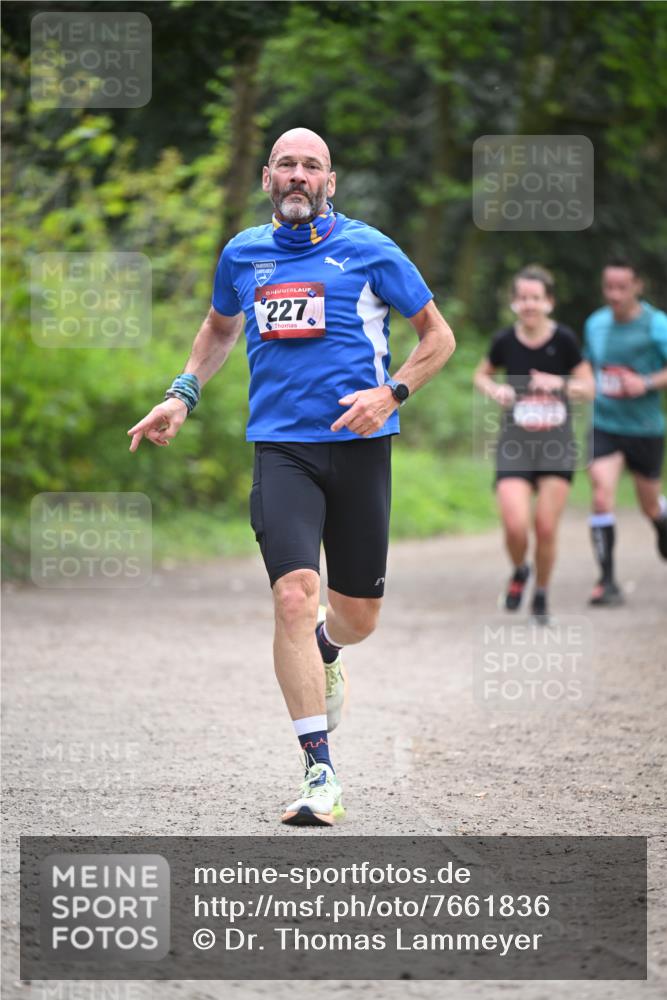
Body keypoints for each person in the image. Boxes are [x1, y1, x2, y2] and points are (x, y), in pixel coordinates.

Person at [127, 128, 455, 826]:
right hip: (281, 449)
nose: (298, 176)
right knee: (292, 596)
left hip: (360, 445)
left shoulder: (370, 249)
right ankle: (319, 773)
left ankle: (330, 649)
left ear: (329, 182)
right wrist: (180, 394)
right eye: (286, 165)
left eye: (312, 166)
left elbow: (438, 337)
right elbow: (218, 330)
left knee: (357, 617)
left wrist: (390, 394)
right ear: (268, 178)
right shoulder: (243, 254)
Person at [473, 265, 594, 623]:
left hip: (556, 446)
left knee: (544, 527)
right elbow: (481, 374)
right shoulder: (504, 341)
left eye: (536, 298)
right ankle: (520, 570)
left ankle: (540, 595)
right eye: (523, 298)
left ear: (549, 303)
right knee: (514, 525)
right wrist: (495, 389)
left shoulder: (565, 341)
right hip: (515, 445)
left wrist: (559, 385)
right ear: (514, 303)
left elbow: (589, 389)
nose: (529, 304)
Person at [584, 259, 667, 605]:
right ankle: (607, 581)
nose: (614, 295)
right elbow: (587, 368)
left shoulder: (657, 325)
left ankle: (662, 524)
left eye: (622, 288)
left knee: (649, 505)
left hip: (644, 427)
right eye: (609, 287)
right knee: (602, 495)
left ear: (637, 287)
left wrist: (646, 382)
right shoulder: (596, 324)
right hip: (604, 422)